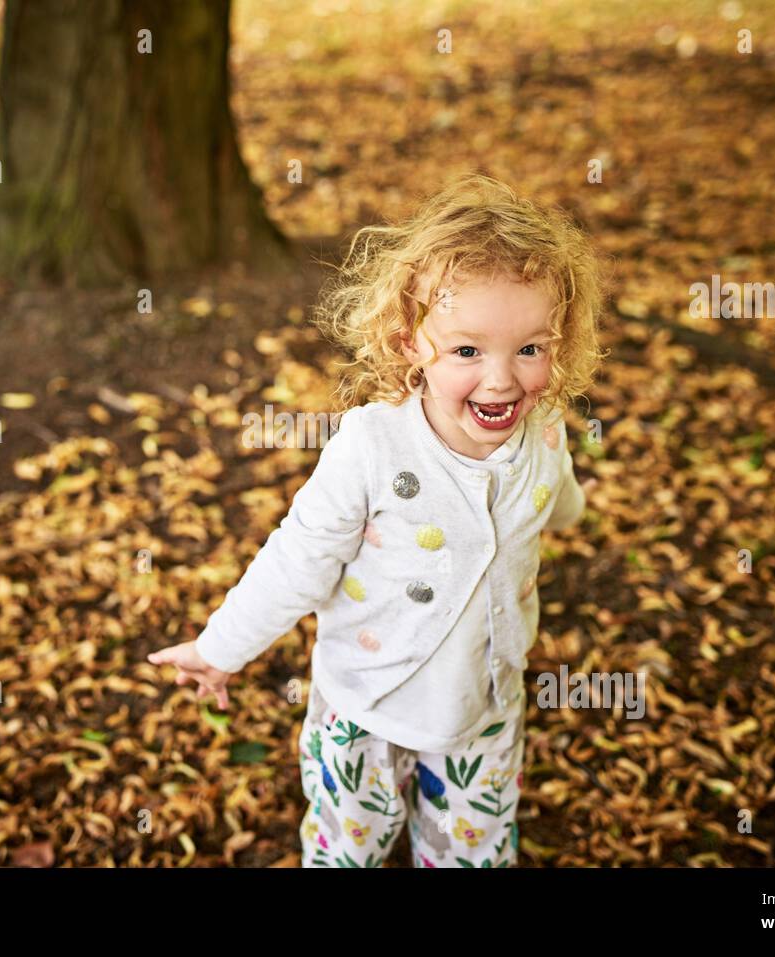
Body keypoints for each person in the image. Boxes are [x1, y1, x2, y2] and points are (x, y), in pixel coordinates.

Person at [148, 170, 607, 867]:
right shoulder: (371, 445)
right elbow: (297, 558)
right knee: (346, 849)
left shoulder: (543, 430)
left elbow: (557, 493)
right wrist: (221, 648)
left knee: (473, 850)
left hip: (482, 702)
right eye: (466, 350)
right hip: (364, 705)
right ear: (408, 343)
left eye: (530, 349)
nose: (501, 378)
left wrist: (568, 514)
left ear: (558, 342)